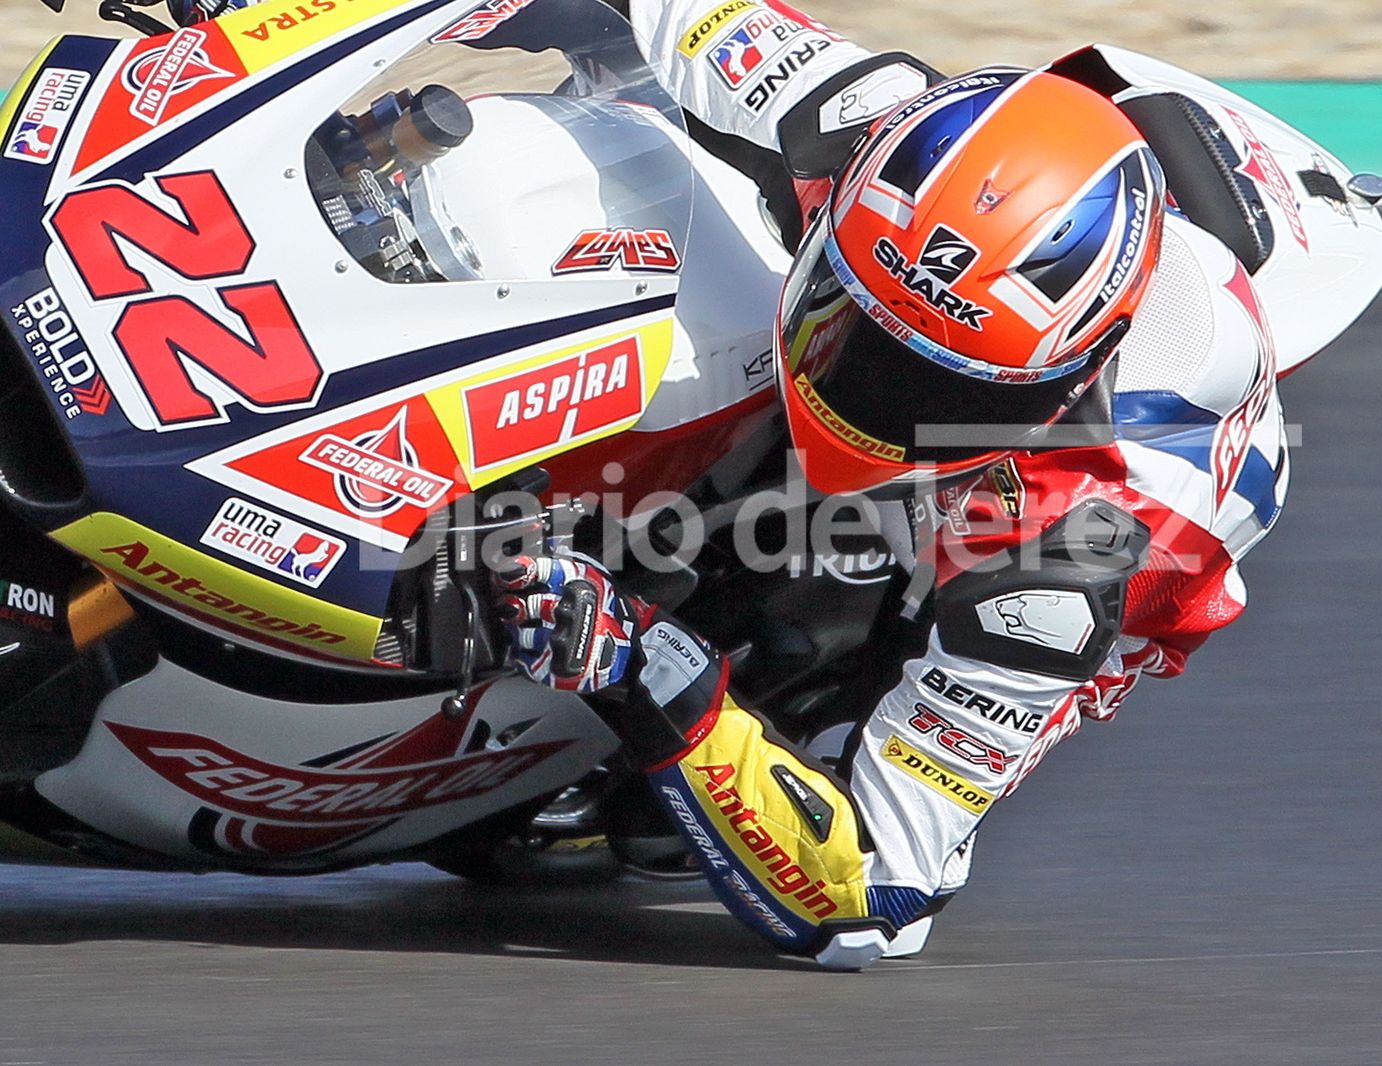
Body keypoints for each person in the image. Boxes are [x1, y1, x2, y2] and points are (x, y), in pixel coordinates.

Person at [175, 0, 1294, 969]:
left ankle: (699, 696)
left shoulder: (1084, 542)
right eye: (852, 326)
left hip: (1045, 520)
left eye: (916, 379)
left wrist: (628, 647)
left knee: (726, 748)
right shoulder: (845, 114)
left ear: (1065, 376)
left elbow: (873, 902)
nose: (862, 385)